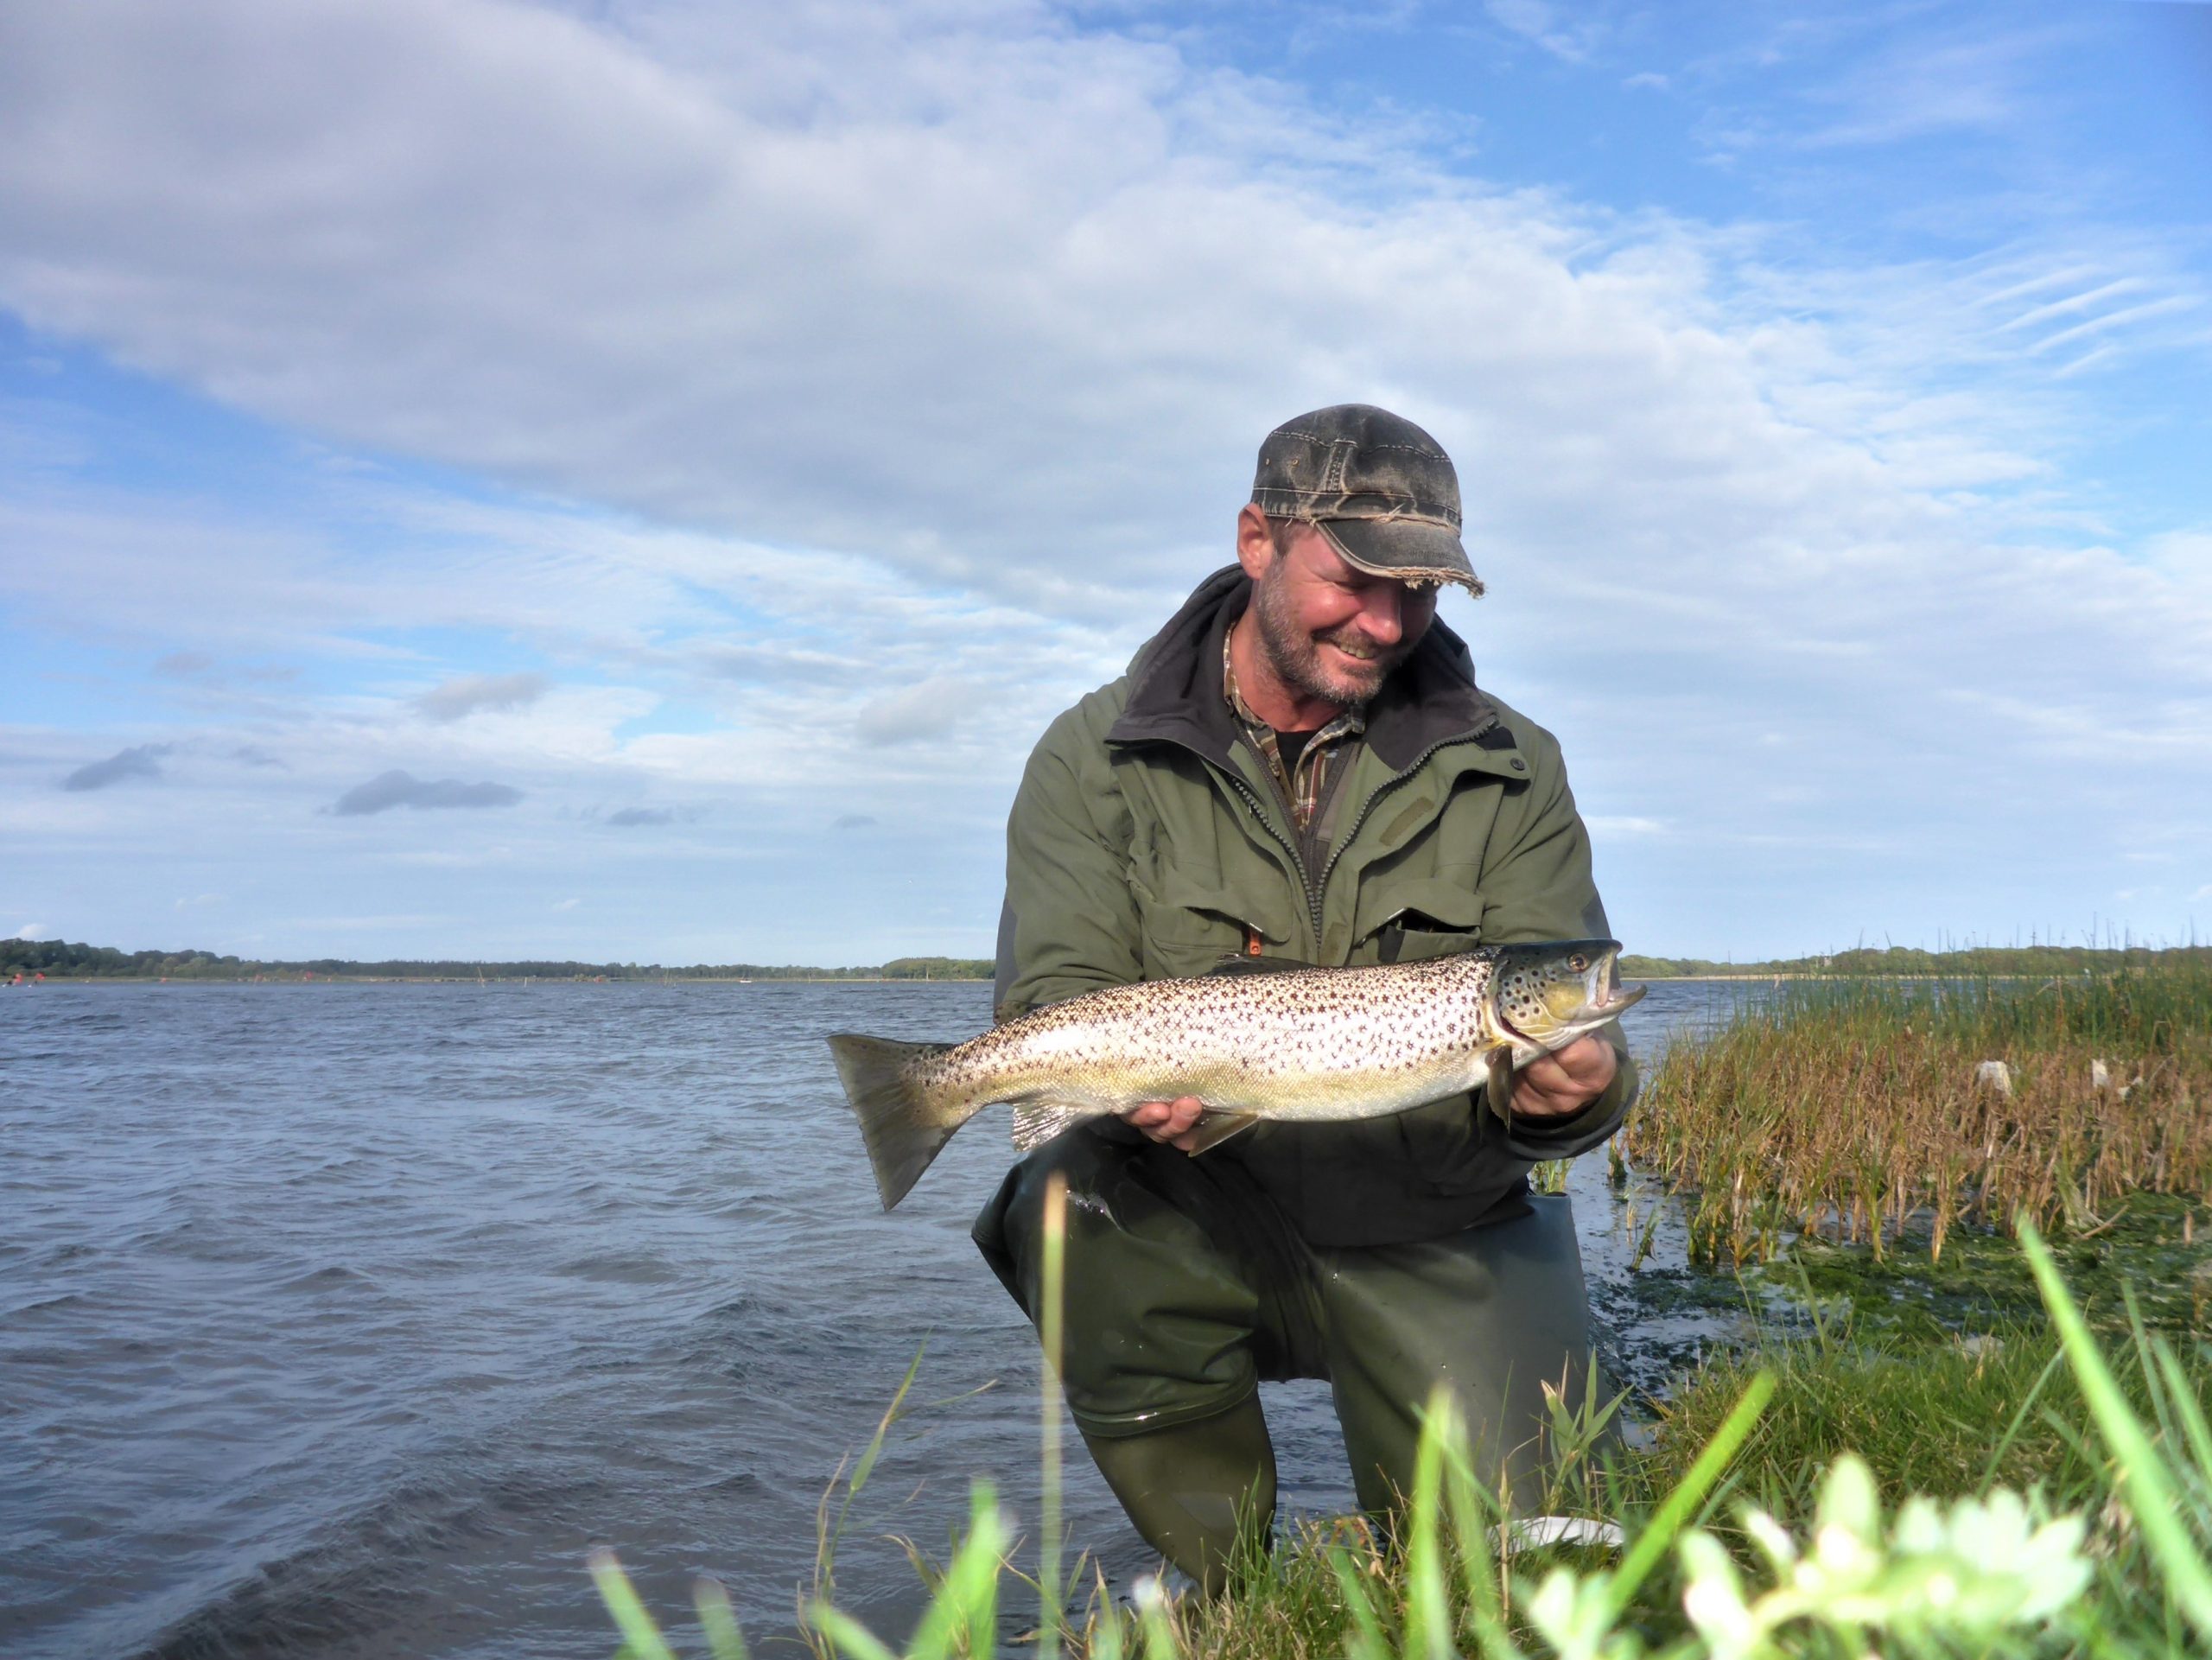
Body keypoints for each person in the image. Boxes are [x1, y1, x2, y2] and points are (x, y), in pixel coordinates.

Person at [971, 404, 1637, 1593]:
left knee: (1530, 1583)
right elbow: (1061, 992)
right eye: (1357, 579)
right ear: (1258, 540)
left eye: (1424, 590)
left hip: (1441, 1219)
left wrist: (1570, 1093)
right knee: (1066, 1202)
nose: (1388, 622)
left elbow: (1569, 1024)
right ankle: (1223, 1582)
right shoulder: (1091, 759)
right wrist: (1108, 1098)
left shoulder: (1513, 764)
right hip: (1190, 1205)